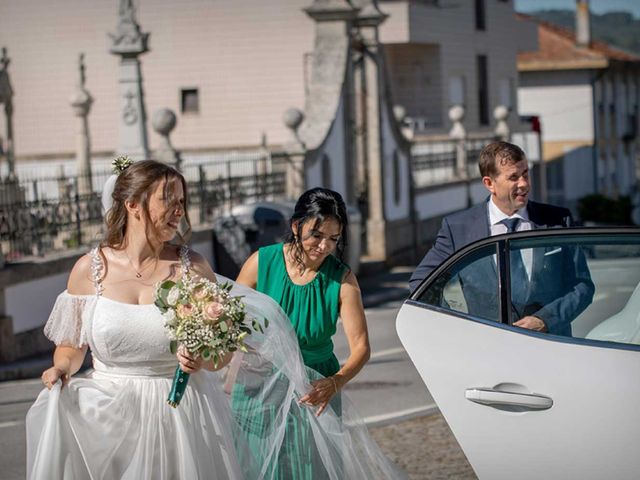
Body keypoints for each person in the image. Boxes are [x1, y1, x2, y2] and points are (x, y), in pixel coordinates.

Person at [26, 160, 248, 479]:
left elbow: (222, 354)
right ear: (132, 204)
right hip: (108, 419)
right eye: (167, 199)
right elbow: (71, 348)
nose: (178, 210)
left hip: (179, 416)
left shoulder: (194, 268)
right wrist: (60, 368)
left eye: (181, 202)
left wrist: (201, 360)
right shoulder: (89, 271)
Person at [231, 187, 400, 479]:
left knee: (310, 470)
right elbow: (230, 318)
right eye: (317, 235)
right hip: (261, 384)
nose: (324, 247)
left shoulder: (343, 279)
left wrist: (336, 382)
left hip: (314, 390)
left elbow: (361, 347)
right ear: (296, 226)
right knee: (262, 469)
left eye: (333, 239)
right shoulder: (261, 262)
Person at [409, 141, 594, 336]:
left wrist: (546, 319)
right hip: (488, 349)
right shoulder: (458, 229)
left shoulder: (558, 220)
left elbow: (581, 286)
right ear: (489, 183)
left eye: (525, 174)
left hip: (552, 346)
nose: (524, 183)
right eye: (513, 177)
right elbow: (422, 283)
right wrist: (458, 324)